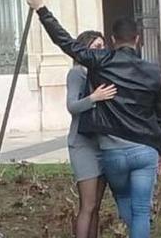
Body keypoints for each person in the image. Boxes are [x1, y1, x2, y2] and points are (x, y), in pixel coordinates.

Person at [28, 0, 161, 238]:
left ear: (113, 40)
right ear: (137, 39)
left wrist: (41, 9)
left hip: (112, 152)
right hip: (145, 148)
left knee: (125, 200)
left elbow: (66, 42)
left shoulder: (101, 61)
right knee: (140, 210)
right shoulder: (153, 71)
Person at [66, 30, 116, 238]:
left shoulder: (101, 73)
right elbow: (72, 106)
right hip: (82, 145)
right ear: (85, 48)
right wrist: (94, 98)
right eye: (96, 47)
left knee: (96, 205)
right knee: (87, 204)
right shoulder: (78, 72)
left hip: (101, 143)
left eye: (102, 47)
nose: (100, 51)